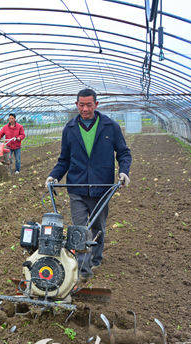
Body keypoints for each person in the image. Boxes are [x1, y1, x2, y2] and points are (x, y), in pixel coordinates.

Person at [44, 88, 131, 280]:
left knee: (98, 228)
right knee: (80, 230)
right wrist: (54, 176)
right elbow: (64, 159)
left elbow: (123, 153)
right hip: (77, 188)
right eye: (81, 105)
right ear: (76, 105)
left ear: (96, 105)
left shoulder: (110, 126)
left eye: (89, 105)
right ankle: (84, 271)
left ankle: (96, 259)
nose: (85, 109)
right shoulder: (70, 129)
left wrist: (124, 172)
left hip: (102, 188)